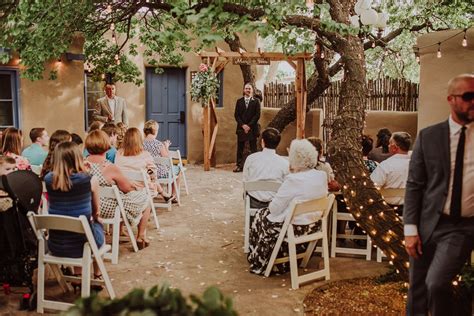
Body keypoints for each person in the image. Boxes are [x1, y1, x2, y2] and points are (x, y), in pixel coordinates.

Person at [404, 74, 474, 316]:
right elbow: (414, 185)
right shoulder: (429, 136)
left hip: (462, 226)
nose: (473, 102)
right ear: (451, 99)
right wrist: (410, 230)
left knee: (436, 283)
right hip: (427, 224)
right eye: (468, 96)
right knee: (417, 288)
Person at [247, 139, 328, 275]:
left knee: (260, 215)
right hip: (314, 226)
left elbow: (274, 209)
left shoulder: (293, 180)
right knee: (265, 216)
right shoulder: (321, 175)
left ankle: (260, 259)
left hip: (294, 228)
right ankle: (282, 258)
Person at [44, 141, 104, 281]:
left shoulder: (48, 180)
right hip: (83, 244)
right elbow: (96, 212)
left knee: (78, 224)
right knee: (96, 224)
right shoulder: (89, 180)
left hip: (56, 244)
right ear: (78, 157)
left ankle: (78, 274)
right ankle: (97, 275)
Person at [85, 130, 151, 249]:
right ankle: (141, 236)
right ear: (106, 146)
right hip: (107, 209)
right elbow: (127, 189)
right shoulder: (109, 167)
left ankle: (123, 231)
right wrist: (135, 186)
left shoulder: (82, 164)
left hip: (87, 206)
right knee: (146, 198)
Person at [243, 127, 289, 209]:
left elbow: (245, 180)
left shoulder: (251, 159)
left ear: (262, 142)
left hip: (253, 203)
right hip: (275, 204)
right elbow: (286, 186)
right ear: (277, 144)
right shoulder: (285, 163)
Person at [370, 131, 411, 215]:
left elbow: (371, 187)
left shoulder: (386, 165)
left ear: (394, 147)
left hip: (388, 212)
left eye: (390, 143)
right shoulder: (419, 165)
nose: (388, 145)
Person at [142, 120, 180, 199]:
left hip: (148, 172)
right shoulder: (159, 144)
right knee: (178, 170)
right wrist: (166, 147)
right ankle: (174, 195)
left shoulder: (141, 143)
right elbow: (168, 159)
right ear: (155, 131)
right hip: (161, 173)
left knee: (171, 170)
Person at [233, 83, 261, 173]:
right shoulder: (239, 101)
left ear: (252, 90)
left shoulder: (256, 101)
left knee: (253, 149)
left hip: (252, 128)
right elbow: (236, 115)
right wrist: (243, 125)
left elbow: (257, 115)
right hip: (241, 128)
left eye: (249, 89)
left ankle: (255, 167)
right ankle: (239, 166)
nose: (248, 90)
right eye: (246, 88)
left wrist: (249, 126)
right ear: (243, 90)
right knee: (240, 148)